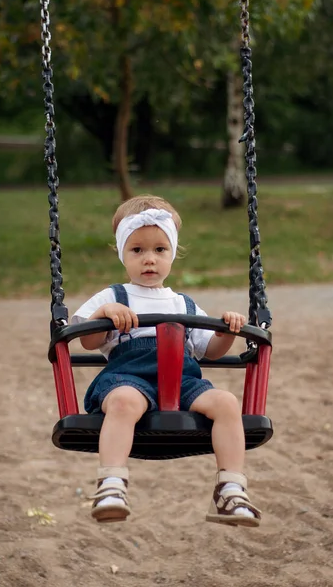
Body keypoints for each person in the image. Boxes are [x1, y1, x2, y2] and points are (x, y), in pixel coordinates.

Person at [71, 194, 261, 527]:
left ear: (172, 253)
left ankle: (231, 490)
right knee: (124, 402)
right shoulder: (114, 296)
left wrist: (228, 330)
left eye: (160, 250)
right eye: (137, 250)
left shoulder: (184, 303)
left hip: (183, 382)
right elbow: (86, 339)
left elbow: (210, 350)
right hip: (129, 377)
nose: (149, 259)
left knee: (227, 402)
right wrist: (104, 313)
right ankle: (112, 486)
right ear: (122, 254)